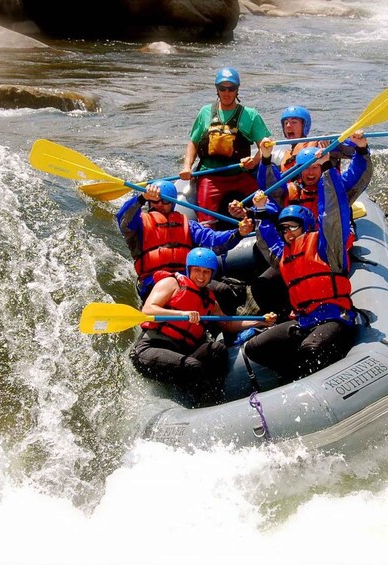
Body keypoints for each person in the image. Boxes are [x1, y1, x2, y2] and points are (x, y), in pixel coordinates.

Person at [244, 139, 370, 382]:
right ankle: (291, 375)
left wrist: (327, 168)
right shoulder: (284, 254)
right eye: (285, 229)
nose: (288, 232)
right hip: (304, 319)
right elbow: (268, 239)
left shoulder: (325, 245)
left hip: (335, 316)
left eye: (293, 227)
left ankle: (312, 379)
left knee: (310, 349)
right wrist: (259, 211)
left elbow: (332, 213)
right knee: (254, 347)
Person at [237, 131, 373, 321]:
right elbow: (272, 188)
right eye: (306, 168)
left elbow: (359, 174)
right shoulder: (291, 191)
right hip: (298, 253)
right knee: (264, 283)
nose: (310, 173)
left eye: (316, 167)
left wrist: (361, 148)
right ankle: (281, 317)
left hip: (328, 252)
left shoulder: (336, 186)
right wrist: (266, 159)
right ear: (299, 170)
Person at [130, 247, 276, 406]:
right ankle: (202, 405)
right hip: (150, 348)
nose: (201, 276)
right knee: (192, 366)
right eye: (197, 270)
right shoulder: (172, 283)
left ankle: (214, 397)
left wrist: (260, 321)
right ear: (189, 269)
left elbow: (228, 325)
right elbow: (148, 310)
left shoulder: (210, 302)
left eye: (206, 272)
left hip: (180, 353)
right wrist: (182, 314)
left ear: (212, 274)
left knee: (217, 350)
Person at [116, 179, 253, 312]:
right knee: (179, 300)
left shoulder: (188, 225)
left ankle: (224, 329)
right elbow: (123, 219)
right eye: (155, 201)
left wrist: (238, 233)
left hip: (187, 278)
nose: (159, 205)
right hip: (154, 282)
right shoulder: (139, 225)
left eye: (165, 201)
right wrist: (142, 197)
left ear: (173, 203)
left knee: (223, 291)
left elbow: (213, 240)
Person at [180, 66, 272, 228]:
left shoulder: (250, 115)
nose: (227, 92)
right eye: (223, 88)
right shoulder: (205, 112)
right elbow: (193, 142)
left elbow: (265, 143)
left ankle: (264, 232)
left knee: (264, 203)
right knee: (206, 222)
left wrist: (255, 160)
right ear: (217, 89)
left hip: (240, 174)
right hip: (211, 176)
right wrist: (187, 166)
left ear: (237, 90)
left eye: (231, 88)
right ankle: (209, 242)